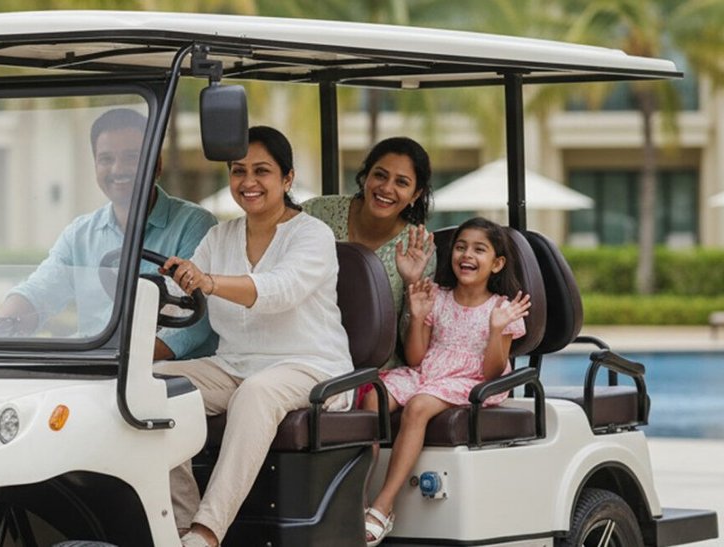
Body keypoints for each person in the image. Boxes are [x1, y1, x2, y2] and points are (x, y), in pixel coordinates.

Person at [157, 126, 353, 547]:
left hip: (309, 365)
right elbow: (179, 298)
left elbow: (279, 291)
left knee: (257, 393)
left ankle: (207, 532)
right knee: (151, 386)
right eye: (238, 170)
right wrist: (163, 287)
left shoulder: (312, 235)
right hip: (234, 365)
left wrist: (208, 282)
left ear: (287, 178)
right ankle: (179, 529)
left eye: (261, 171)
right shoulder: (219, 236)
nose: (248, 181)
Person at [0, 108, 218, 360]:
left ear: (157, 165)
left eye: (132, 157)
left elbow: (193, 325)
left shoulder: (195, 225)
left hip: (163, 370)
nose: (117, 169)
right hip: (95, 365)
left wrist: (114, 359)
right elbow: (38, 292)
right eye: (106, 159)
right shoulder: (80, 235)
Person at [363, 217, 532, 546]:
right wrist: (416, 315)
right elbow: (416, 358)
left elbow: (492, 372)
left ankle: (384, 505)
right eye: (460, 247)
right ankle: (358, 498)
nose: (467, 255)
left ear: (497, 263)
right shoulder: (437, 296)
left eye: (479, 249)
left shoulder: (501, 308)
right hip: (430, 371)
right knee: (373, 397)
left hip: (473, 380)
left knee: (418, 407)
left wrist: (497, 329)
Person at [302, 136, 437, 369]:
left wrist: (411, 283)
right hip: (303, 353)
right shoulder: (317, 212)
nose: (386, 188)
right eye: (380, 175)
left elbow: (411, 349)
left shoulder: (420, 249)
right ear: (365, 176)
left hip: (372, 371)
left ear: (415, 194)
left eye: (401, 182)